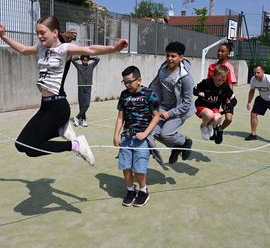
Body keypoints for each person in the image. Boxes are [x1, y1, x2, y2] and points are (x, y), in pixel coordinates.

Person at [0, 15, 128, 167]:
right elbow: (22, 49)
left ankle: (76, 145)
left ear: (54, 32)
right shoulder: (41, 48)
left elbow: (90, 49)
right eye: (37, 33)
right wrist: (3, 36)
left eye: (42, 32)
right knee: (21, 145)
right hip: (45, 106)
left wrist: (115, 48)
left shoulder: (64, 49)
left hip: (58, 107)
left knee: (32, 148)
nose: (39, 36)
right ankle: (61, 130)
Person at [113, 66, 160, 207]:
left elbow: (156, 116)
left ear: (139, 80)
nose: (127, 85)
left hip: (142, 139)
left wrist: (145, 134)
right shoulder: (124, 95)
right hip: (127, 137)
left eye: (130, 82)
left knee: (139, 169)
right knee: (126, 167)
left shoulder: (149, 94)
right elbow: (120, 117)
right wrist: (116, 135)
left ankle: (143, 191)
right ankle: (130, 191)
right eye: (124, 82)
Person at [149, 41, 195, 164]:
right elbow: (156, 86)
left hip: (180, 110)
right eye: (167, 55)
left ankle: (185, 142)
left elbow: (186, 103)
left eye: (173, 56)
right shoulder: (163, 69)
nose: (169, 59)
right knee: (153, 132)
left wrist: (170, 113)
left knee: (166, 134)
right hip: (164, 107)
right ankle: (176, 147)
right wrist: (151, 101)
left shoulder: (186, 78)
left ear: (181, 57)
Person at [194, 64, 237, 144]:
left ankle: (210, 125)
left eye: (222, 80)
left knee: (218, 119)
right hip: (201, 106)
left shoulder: (225, 86)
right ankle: (203, 126)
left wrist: (230, 105)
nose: (220, 82)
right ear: (213, 76)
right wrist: (199, 93)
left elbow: (233, 98)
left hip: (214, 107)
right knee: (209, 114)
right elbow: (194, 90)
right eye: (218, 79)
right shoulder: (206, 82)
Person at [207, 42, 237, 140]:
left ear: (228, 53)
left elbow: (230, 84)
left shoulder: (229, 68)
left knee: (228, 119)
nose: (220, 53)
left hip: (225, 97)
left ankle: (220, 129)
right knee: (211, 116)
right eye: (219, 51)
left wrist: (229, 99)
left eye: (222, 51)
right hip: (214, 96)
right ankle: (213, 128)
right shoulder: (212, 67)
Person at [71, 55, 100, 127]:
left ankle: (77, 118)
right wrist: (78, 57)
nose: (85, 61)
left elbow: (97, 59)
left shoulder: (91, 66)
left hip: (88, 87)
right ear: (82, 60)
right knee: (81, 104)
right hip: (80, 86)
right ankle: (83, 120)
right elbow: (72, 60)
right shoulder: (78, 66)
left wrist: (90, 57)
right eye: (84, 60)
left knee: (87, 104)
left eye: (87, 60)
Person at [245, 65, 270, 140]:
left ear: (263, 71)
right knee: (253, 114)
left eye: (258, 73)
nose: (256, 75)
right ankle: (253, 135)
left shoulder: (268, 79)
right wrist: (249, 102)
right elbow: (252, 91)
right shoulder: (253, 79)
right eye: (254, 73)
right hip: (261, 99)